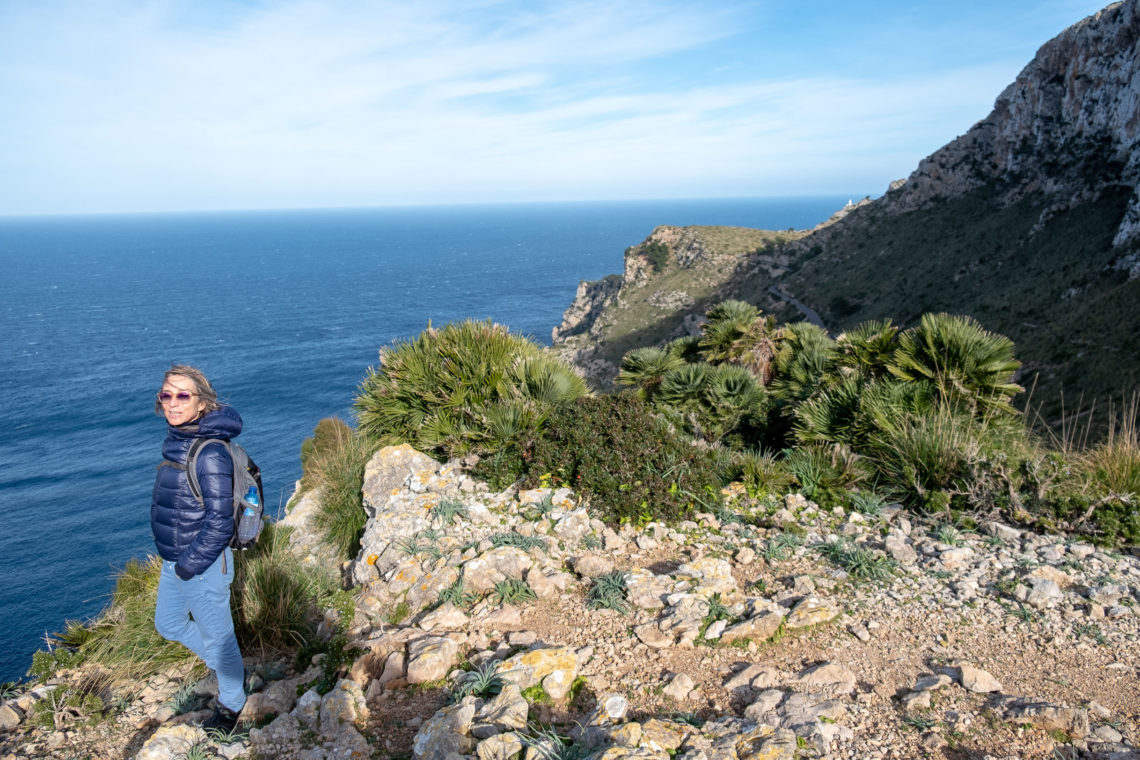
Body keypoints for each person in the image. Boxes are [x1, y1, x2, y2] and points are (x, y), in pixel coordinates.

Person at [151, 365, 246, 731]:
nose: (172, 403)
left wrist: (189, 565)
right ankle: (231, 672)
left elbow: (220, 522)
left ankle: (232, 705)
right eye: (166, 395)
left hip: (202, 565)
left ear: (202, 403)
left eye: (182, 395)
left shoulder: (208, 453)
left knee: (220, 639)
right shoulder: (180, 440)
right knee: (169, 623)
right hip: (176, 560)